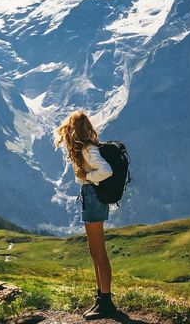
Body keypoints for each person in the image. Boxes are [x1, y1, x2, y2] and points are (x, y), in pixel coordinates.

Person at [54, 110, 119, 320]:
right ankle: (101, 298)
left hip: (93, 196)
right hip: (90, 196)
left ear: (73, 129)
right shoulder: (85, 147)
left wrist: (87, 176)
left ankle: (106, 301)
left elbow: (106, 171)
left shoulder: (89, 149)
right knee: (94, 252)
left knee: (99, 252)